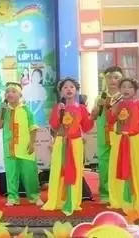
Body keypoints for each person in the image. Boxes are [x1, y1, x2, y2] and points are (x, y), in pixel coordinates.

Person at [42, 78, 94, 216]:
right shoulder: (58, 107)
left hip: (76, 143)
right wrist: (58, 112)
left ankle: (72, 201)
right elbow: (54, 125)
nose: (69, 89)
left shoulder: (81, 108)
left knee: (75, 171)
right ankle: (56, 200)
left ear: (76, 90)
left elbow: (87, 127)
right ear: (61, 91)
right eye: (65, 87)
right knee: (58, 171)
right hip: (60, 142)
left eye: (72, 87)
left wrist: (93, 116)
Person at [107, 78, 139, 210]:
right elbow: (110, 121)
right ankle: (123, 199)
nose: (126, 90)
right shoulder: (117, 104)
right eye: (123, 87)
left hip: (136, 141)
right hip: (120, 141)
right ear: (119, 90)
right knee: (118, 169)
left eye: (130, 87)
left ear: (135, 90)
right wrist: (113, 109)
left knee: (138, 169)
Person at [0, 82, 42, 207]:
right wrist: (1, 110)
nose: (9, 93)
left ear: (20, 95)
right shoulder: (5, 110)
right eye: (7, 92)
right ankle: (12, 197)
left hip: (25, 148)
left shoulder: (26, 110)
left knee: (30, 174)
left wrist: (32, 143)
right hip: (10, 148)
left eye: (13, 91)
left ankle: (34, 196)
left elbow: (33, 128)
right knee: (11, 175)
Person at [90, 66, 123, 203]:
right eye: (109, 77)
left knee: (120, 162)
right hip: (104, 135)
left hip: (119, 134)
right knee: (104, 164)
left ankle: (120, 192)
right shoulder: (100, 97)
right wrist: (99, 106)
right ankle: (105, 193)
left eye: (116, 77)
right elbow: (93, 116)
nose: (112, 80)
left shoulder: (124, 96)